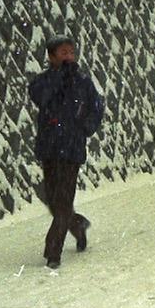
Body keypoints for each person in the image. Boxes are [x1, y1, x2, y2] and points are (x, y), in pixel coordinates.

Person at [29, 35, 104, 269]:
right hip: (50, 147)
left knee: (62, 200)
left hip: (71, 148)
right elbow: (40, 97)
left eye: (71, 52)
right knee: (54, 201)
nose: (69, 56)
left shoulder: (82, 81)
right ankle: (77, 225)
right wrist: (61, 76)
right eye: (63, 53)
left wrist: (86, 127)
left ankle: (53, 252)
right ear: (51, 57)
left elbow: (97, 105)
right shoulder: (43, 81)